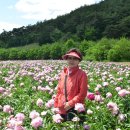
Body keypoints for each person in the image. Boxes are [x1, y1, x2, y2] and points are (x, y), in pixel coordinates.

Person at [54, 48, 88, 124]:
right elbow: (59, 91)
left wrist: (70, 104)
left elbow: (82, 94)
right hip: (62, 108)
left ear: (79, 61)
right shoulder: (63, 73)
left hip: (75, 108)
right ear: (66, 59)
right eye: (70, 58)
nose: (72, 60)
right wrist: (56, 105)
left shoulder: (82, 74)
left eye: (75, 58)